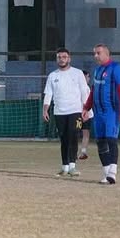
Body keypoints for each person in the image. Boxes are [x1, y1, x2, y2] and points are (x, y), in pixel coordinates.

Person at [84, 43, 120, 185]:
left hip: (111, 112)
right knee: (100, 142)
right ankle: (106, 173)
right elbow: (93, 91)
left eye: (98, 53)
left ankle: (112, 173)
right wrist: (86, 107)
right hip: (98, 113)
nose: (95, 56)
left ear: (106, 54)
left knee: (111, 140)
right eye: (94, 53)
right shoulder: (97, 70)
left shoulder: (116, 68)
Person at [42, 47, 90, 177]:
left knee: (73, 136)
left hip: (75, 111)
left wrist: (86, 109)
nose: (61, 59)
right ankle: (65, 167)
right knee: (64, 139)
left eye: (64, 57)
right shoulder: (53, 76)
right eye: (59, 57)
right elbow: (48, 94)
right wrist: (45, 109)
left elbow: (84, 92)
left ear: (69, 59)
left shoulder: (78, 73)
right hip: (59, 112)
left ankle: (72, 166)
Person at [78, 71, 93, 160]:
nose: (85, 79)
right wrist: (85, 112)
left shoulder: (87, 88)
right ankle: (75, 152)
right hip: (80, 113)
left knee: (85, 133)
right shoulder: (80, 88)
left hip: (86, 113)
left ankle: (83, 152)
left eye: (87, 77)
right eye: (84, 77)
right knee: (76, 133)